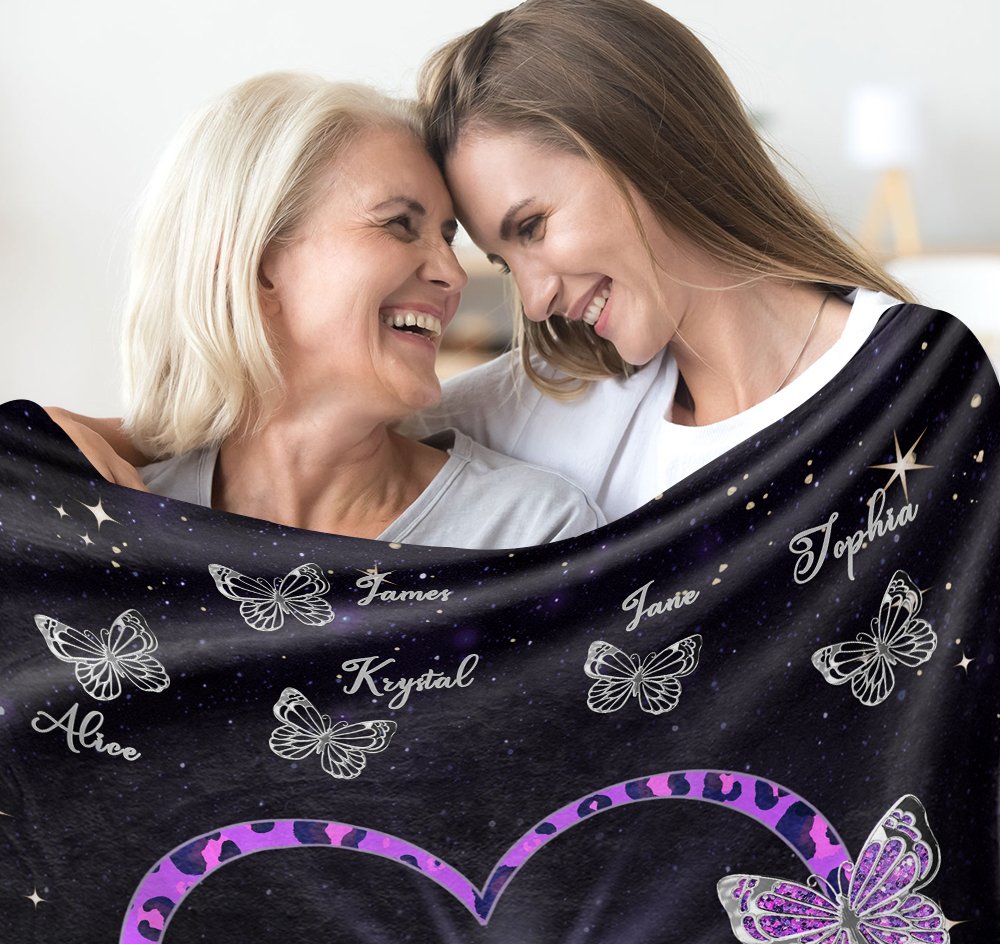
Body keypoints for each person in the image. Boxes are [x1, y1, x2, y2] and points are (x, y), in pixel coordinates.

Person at [53, 0, 911, 524]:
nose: (528, 302)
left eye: (531, 225)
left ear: (646, 149)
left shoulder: (915, 383)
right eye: (501, 255)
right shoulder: (561, 396)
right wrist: (54, 435)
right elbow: (296, 426)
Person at [51, 71, 602, 547]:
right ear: (258, 267)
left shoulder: (529, 533)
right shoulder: (105, 525)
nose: (453, 274)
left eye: (447, 236)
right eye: (398, 224)